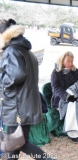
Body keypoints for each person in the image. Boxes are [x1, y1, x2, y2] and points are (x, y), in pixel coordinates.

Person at [0, 19, 55, 160]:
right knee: (16, 141)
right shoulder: (26, 51)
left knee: (17, 143)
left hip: (17, 106)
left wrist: (1, 81)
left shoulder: (11, 51)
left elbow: (16, 75)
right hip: (26, 104)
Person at [51, 51, 78, 143]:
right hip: (60, 99)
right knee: (72, 105)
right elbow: (56, 88)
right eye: (68, 61)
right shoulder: (56, 72)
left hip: (74, 96)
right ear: (62, 61)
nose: (70, 63)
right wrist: (67, 96)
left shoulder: (74, 71)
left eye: (72, 61)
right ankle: (72, 132)